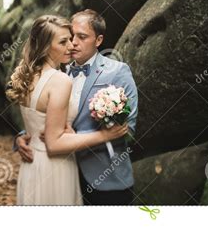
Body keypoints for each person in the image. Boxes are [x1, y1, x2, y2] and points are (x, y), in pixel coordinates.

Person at [14, 10, 138, 205]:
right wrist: (24, 136)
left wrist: (72, 135)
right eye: (71, 37)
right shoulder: (59, 72)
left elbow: (127, 129)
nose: (74, 43)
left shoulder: (117, 72)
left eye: (82, 37)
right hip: (61, 172)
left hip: (105, 179)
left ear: (98, 40)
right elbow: (47, 116)